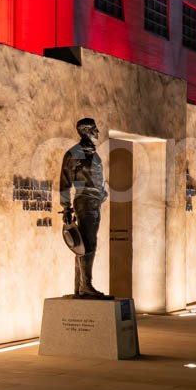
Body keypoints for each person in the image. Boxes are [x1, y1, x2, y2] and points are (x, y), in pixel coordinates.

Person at [59, 117, 111, 298]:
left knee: (83, 244)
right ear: (87, 131)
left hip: (94, 202)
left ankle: (80, 288)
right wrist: (66, 207)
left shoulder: (94, 155)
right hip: (84, 202)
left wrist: (103, 193)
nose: (98, 133)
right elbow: (65, 181)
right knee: (89, 243)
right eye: (95, 129)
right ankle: (86, 286)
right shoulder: (75, 153)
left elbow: (96, 180)